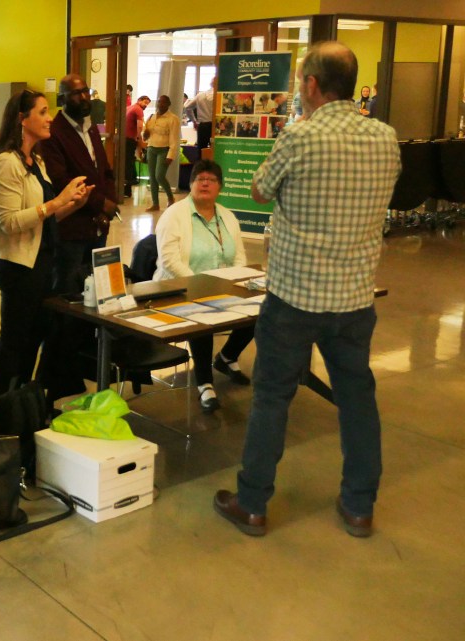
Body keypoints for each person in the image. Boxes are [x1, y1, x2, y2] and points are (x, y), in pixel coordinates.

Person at [214, 42, 400, 538]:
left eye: (300, 81)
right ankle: (359, 507)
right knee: (358, 398)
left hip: (294, 298)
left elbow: (259, 190)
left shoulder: (299, 138)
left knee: (272, 398)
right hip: (355, 299)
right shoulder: (386, 139)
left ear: (312, 85)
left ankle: (252, 503)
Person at [0, 89, 91, 396]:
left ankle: (25, 398)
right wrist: (58, 201)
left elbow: (44, 217)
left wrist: (74, 204)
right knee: (16, 339)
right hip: (16, 265)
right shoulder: (6, 164)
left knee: (37, 334)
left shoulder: (36, 160)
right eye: (42, 112)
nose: (49, 119)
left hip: (42, 259)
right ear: (22, 118)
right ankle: (5, 403)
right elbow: (10, 221)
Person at [153, 160, 255, 412]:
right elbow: (169, 261)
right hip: (181, 288)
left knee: (259, 308)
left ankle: (226, 357)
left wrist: (236, 283)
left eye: (211, 179)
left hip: (222, 289)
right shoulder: (174, 215)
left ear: (220, 187)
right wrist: (199, 286)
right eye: (200, 179)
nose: (205, 183)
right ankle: (205, 384)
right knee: (202, 316)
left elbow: (239, 256)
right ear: (191, 185)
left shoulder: (227, 217)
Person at [40, 74, 118, 296]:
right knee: (69, 293)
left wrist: (109, 203)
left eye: (86, 91)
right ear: (62, 99)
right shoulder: (53, 134)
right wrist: (101, 203)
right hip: (72, 229)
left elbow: (104, 171)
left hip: (98, 226)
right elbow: (61, 181)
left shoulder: (90, 128)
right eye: (76, 93)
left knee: (95, 294)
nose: (84, 97)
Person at [142, 95, 181, 212]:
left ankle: (170, 197)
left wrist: (171, 156)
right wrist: (145, 135)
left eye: (163, 102)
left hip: (164, 150)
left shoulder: (173, 119)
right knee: (152, 178)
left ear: (168, 104)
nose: (160, 104)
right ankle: (155, 204)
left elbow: (174, 139)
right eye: (159, 102)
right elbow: (146, 136)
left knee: (159, 175)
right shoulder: (151, 117)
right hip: (151, 148)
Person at [124, 95, 151, 199]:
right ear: (139, 100)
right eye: (145, 102)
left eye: (147, 104)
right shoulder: (138, 110)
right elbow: (139, 126)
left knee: (126, 162)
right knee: (129, 163)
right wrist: (139, 139)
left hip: (125, 139)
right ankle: (128, 189)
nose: (145, 105)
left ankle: (127, 187)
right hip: (130, 139)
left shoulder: (129, 107)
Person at [184, 78, 216, 149]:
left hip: (203, 126)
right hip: (216, 126)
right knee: (216, 150)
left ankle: (201, 160)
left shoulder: (200, 95)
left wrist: (194, 121)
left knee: (201, 149)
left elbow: (187, 107)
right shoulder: (220, 96)